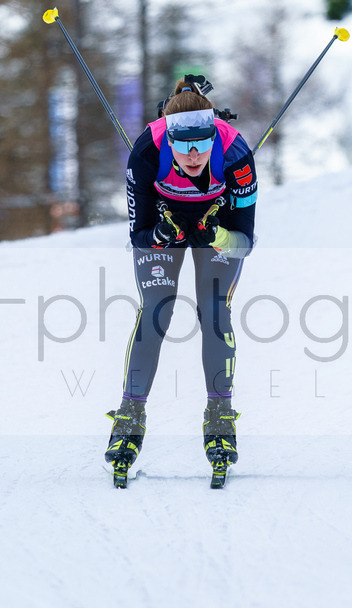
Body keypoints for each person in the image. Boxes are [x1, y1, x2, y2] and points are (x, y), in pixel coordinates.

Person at [105, 75, 258, 486]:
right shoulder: (146, 152)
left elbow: (244, 242)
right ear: (168, 139)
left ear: (215, 134)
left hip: (216, 224)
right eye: (183, 145)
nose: (193, 154)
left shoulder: (237, 155)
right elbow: (138, 234)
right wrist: (159, 234)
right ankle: (129, 417)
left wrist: (218, 236)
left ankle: (220, 416)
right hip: (165, 221)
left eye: (202, 143)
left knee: (213, 309)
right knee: (157, 310)